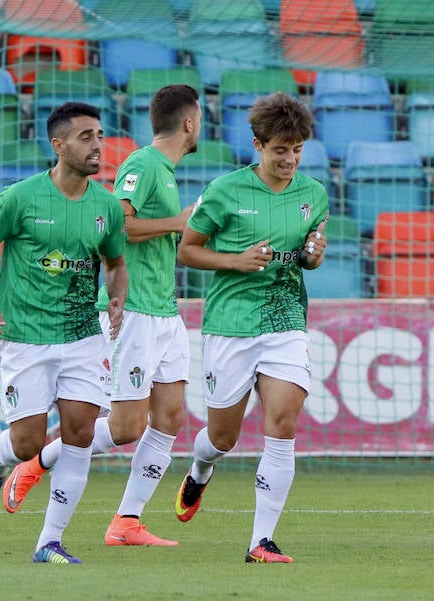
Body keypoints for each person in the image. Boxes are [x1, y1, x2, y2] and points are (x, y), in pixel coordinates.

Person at [0, 84, 203, 547]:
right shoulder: (143, 164)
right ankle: (38, 461)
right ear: (189, 122)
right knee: (127, 427)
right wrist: (177, 223)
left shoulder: (167, 172)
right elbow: (120, 224)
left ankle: (126, 522)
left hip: (165, 312)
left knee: (169, 419)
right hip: (135, 313)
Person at [0, 101, 128, 564]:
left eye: (99, 135)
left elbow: (116, 264)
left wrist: (115, 297)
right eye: (85, 137)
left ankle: (49, 542)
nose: (97, 145)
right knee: (29, 443)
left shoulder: (107, 207)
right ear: (58, 146)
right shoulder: (20, 198)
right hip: (26, 339)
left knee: (79, 434)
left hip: (82, 337)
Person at [173, 92, 329, 564]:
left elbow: (308, 254)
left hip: (285, 321)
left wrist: (313, 257)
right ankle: (200, 468)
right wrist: (234, 261)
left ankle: (260, 541)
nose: (290, 159)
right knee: (223, 437)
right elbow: (186, 250)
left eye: (298, 149)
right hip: (231, 324)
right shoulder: (226, 191)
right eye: (281, 150)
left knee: (282, 423)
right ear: (259, 145)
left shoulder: (314, 195)